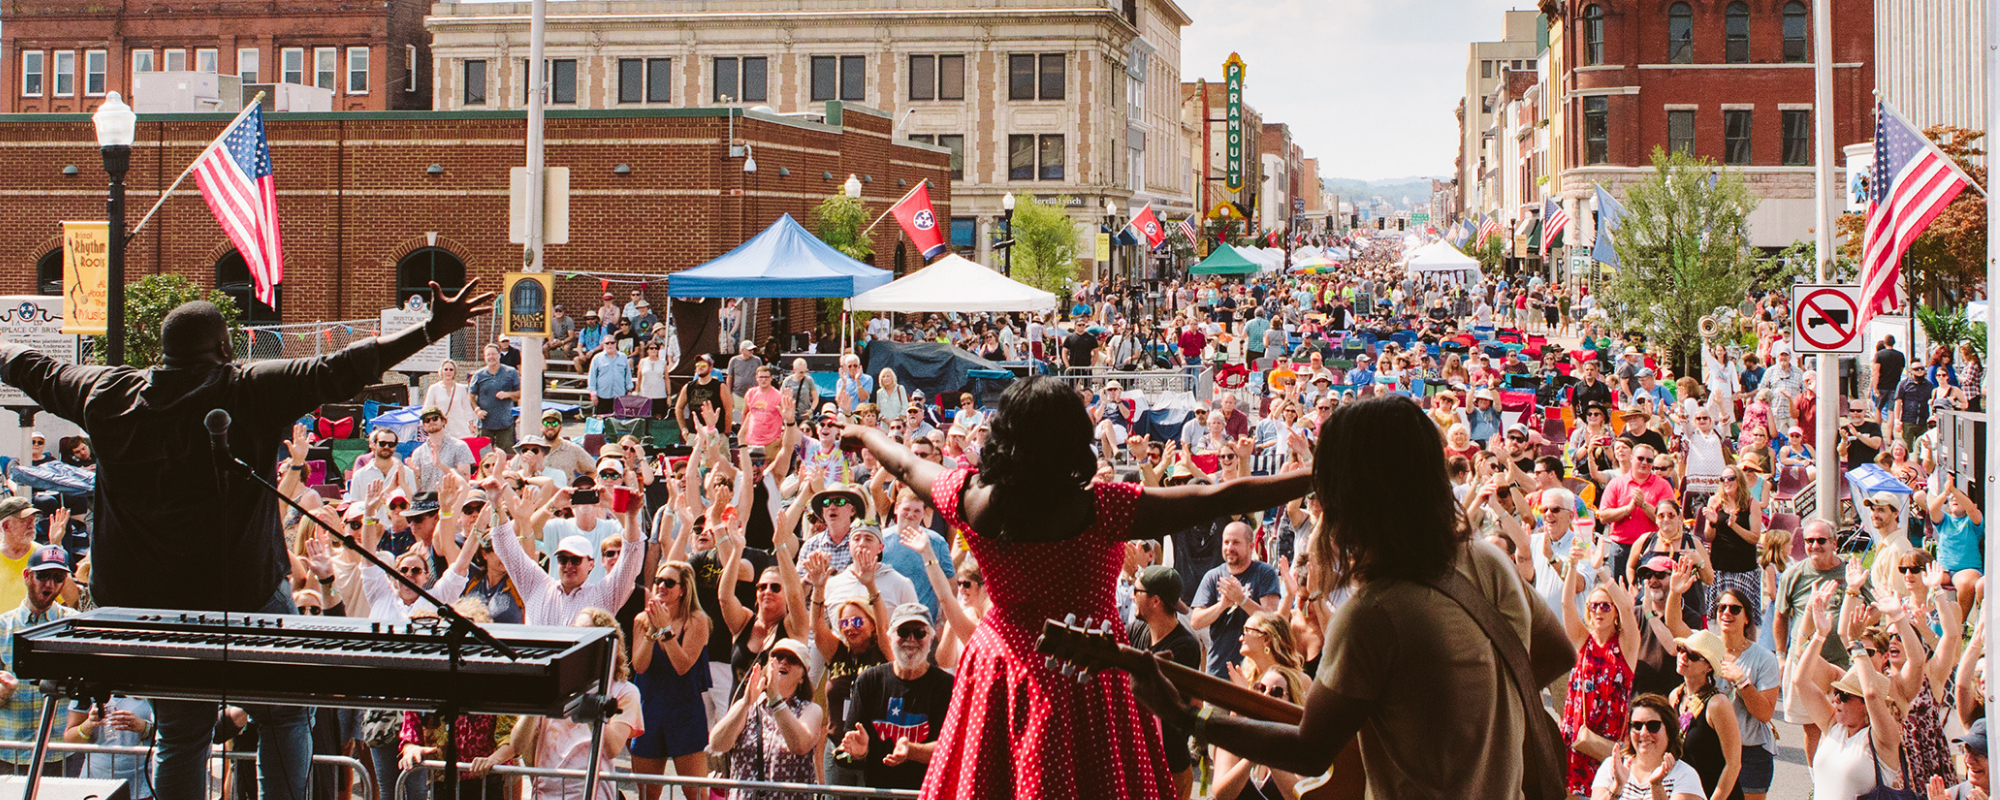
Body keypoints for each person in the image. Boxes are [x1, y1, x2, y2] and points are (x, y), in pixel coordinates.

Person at [0, 282, 491, 800]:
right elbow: (341, 367)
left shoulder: (107, 393)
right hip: (244, 597)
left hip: (144, 613)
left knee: (181, 732)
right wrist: (432, 328)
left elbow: (32, 367)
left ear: (163, 353)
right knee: (284, 715)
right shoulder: (246, 388)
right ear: (225, 349)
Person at [841, 375, 1313, 799]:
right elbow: (1219, 495)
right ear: (1072, 440)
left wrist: (862, 432)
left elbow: (903, 465)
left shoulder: (970, 497)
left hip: (999, 672)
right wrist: (1316, 474)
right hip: (1088, 673)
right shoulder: (1102, 507)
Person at [1129, 396, 1573, 798]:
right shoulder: (1485, 561)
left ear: (1351, 498)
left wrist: (1191, 718)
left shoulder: (1373, 614)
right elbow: (1557, 652)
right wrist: (1472, 713)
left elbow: (1308, 752)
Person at [1790, 585, 1906, 799]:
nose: (1836, 700)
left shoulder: (1882, 739)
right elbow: (1801, 682)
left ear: (1865, 705)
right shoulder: (1834, 726)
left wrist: (1855, 646)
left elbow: (1872, 694)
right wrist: (1819, 635)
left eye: (1844, 696)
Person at [836, 603, 954, 791]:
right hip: (879, 793)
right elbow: (847, 756)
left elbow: (952, 749)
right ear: (890, 636)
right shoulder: (869, 681)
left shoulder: (947, 686)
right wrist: (858, 754)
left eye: (920, 633)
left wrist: (912, 751)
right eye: (903, 631)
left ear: (931, 638)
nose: (911, 639)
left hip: (926, 793)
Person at [629, 561, 711, 800]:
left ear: (683, 589)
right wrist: (652, 631)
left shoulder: (697, 620)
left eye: (669, 582)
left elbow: (682, 666)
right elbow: (640, 666)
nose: (661, 586)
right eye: (658, 581)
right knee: (647, 794)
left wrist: (665, 630)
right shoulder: (641, 620)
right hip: (650, 710)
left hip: (685, 711)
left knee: (696, 794)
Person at [0, 546, 80, 775]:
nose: (50, 584)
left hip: (59, 752)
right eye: (43, 576)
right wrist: (4, 691)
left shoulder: (75, 626)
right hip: (10, 751)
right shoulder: (3, 627)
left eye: (58, 577)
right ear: (27, 576)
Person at [1126, 566, 1200, 800]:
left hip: (1170, 765)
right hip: (1138, 758)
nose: (1131, 595)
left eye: (1137, 590)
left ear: (1155, 600)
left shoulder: (1185, 646)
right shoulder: (1137, 629)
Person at [1190, 522, 1280, 679]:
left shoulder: (1265, 573)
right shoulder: (1213, 576)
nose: (1229, 548)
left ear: (1251, 546)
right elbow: (1196, 622)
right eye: (1226, 542)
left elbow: (1271, 619)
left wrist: (1241, 599)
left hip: (1256, 674)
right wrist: (1222, 605)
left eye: (1236, 543)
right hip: (1218, 671)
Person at [1667, 630, 1742, 800]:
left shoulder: (1718, 704)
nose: (1683, 656)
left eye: (1692, 655)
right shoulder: (1675, 696)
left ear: (1708, 666)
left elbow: (1733, 764)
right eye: (1681, 649)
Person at [1589, 693, 1707, 800]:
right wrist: (1617, 786)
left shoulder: (1684, 774)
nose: (1643, 733)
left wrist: (1656, 786)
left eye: (1653, 726)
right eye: (1637, 726)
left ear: (1669, 731)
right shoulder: (1613, 768)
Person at [469, 342, 522, 453]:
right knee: (484, 457)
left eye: (493, 354)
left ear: (499, 355)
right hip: (485, 424)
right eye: (488, 354)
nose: (491, 357)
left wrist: (508, 394)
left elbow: (520, 393)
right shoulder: (479, 375)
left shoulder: (511, 372)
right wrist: (477, 410)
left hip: (505, 423)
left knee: (508, 456)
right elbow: (471, 396)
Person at [423, 360, 479, 440]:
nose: (448, 372)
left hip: (459, 428)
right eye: (446, 369)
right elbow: (427, 408)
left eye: (451, 369)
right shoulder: (434, 388)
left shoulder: (461, 388)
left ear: (454, 372)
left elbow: (467, 408)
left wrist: (471, 425)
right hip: (442, 428)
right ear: (441, 371)